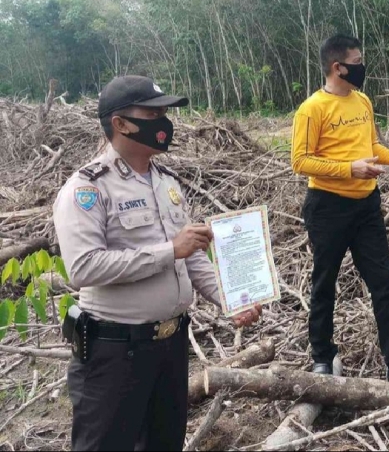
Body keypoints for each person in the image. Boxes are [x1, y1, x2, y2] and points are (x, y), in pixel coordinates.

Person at [53, 76, 262, 451]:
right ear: (120, 124)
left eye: (164, 113)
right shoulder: (87, 189)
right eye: (152, 113)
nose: (164, 122)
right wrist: (170, 250)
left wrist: (231, 298)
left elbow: (192, 255)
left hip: (171, 346)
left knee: (164, 443)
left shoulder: (167, 183)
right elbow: (84, 267)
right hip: (115, 352)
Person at [290, 34, 389, 392]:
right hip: (327, 208)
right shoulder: (313, 108)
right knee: (325, 284)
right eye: (357, 60)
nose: (362, 66)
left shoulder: (363, 101)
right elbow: (300, 161)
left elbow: (372, 147)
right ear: (338, 67)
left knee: (384, 285)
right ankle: (322, 357)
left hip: (366, 206)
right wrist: (348, 169)